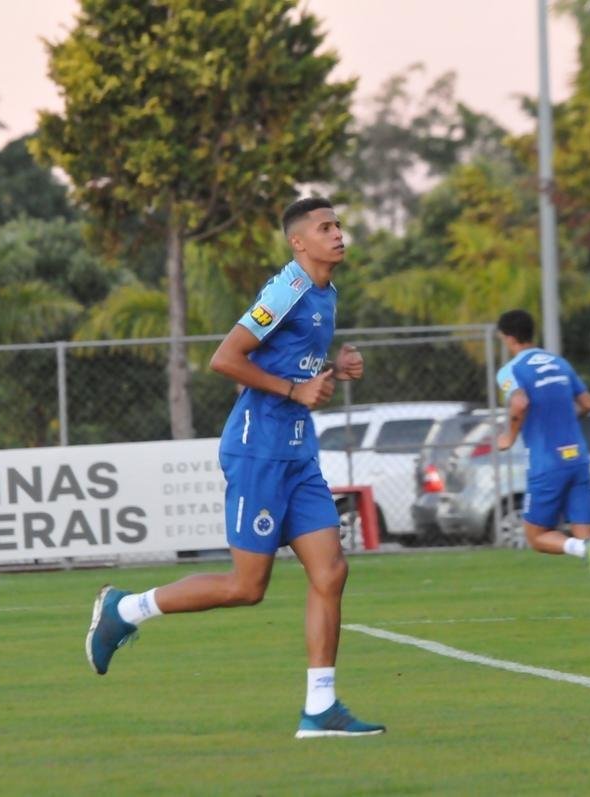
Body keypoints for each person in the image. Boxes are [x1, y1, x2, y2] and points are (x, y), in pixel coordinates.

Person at [85, 197, 385, 738]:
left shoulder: (326, 292)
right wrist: (295, 390)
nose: (338, 233)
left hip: (297, 454)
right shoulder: (287, 290)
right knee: (247, 587)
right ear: (298, 243)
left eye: (338, 225)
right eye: (325, 227)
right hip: (258, 451)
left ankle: (320, 708)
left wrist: (332, 368)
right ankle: (127, 610)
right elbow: (226, 358)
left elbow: (290, 364)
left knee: (331, 571)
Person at [494, 309, 590, 622]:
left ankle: (581, 550)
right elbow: (588, 404)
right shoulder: (559, 363)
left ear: (508, 338)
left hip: (547, 462)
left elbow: (519, 403)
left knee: (536, 536)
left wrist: (509, 435)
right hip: (577, 457)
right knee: (587, 533)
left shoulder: (511, 370)